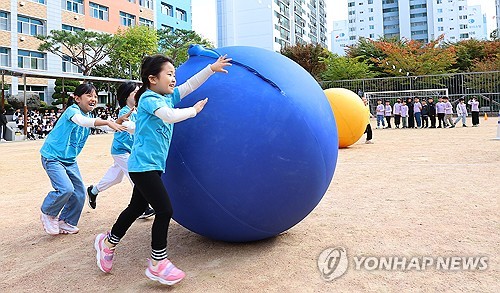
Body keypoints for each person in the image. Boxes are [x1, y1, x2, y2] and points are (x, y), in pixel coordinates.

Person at [94, 54, 232, 285]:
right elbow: (168, 117)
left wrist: (211, 68)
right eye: (168, 74)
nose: (174, 79)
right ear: (152, 79)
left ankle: (107, 243)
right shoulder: (149, 98)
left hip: (152, 166)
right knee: (165, 209)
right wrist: (193, 111)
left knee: (135, 208)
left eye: (174, 74)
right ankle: (158, 263)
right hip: (142, 166)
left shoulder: (166, 97)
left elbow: (189, 86)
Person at [39, 83, 127, 235]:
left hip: (69, 160)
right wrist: (106, 121)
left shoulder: (89, 116)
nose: (93, 99)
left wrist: (115, 123)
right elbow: (81, 121)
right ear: (77, 99)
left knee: (79, 193)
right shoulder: (73, 111)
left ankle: (66, 221)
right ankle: (48, 213)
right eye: (89, 95)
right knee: (66, 189)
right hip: (52, 157)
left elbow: (99, 126)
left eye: (95, 96)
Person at [87, 82, 155, 219]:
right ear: (125, 97)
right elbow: (129, 126)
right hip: (121, 150)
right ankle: (143, 207)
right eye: (134, 92)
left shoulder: (137, 111)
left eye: (138, 91)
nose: (138, 94)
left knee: (115, 178)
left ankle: (93, 191)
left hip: (130, 150)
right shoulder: (125, 111)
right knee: (136, 175)